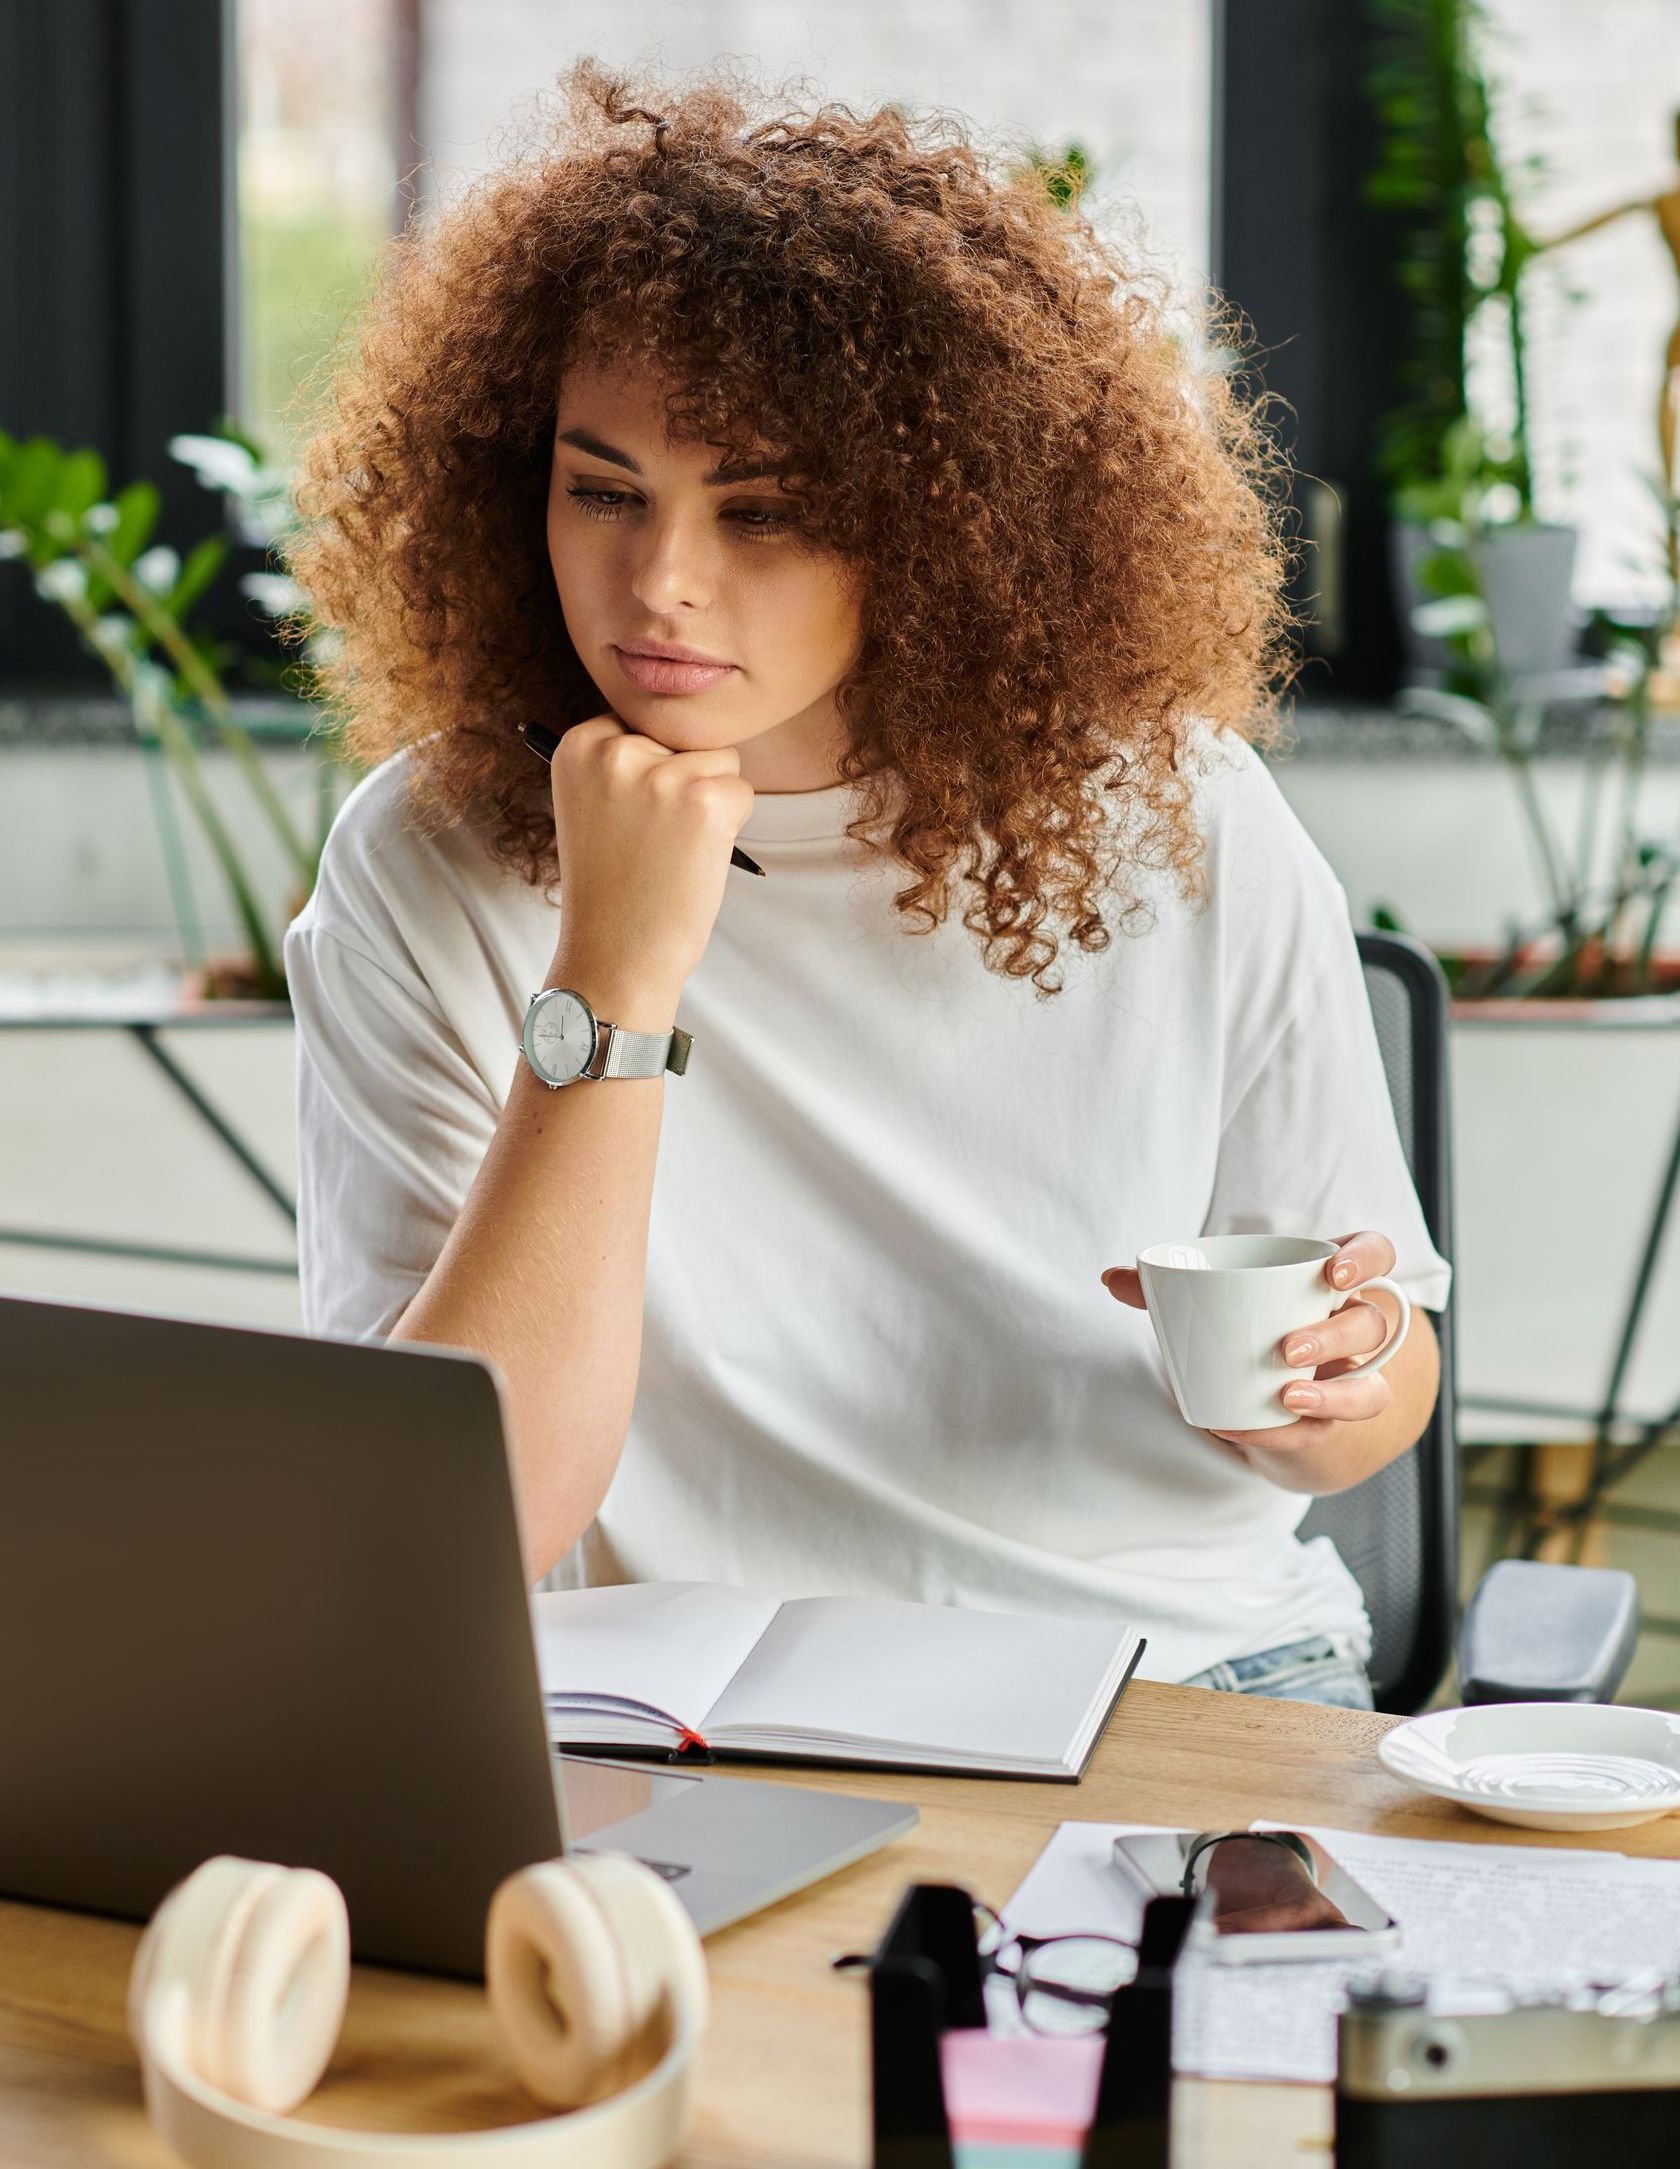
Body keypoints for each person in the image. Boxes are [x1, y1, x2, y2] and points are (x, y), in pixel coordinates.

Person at [279, 63, 1450, 1709]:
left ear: (936, 527)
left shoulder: (1184, 818)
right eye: (601, 488)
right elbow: (452, 1527)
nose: (659, 583)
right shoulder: (434, 859)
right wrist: (612, 974)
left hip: (1180, 1681)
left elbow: (1381, 1371)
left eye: (761, 512)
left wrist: (1341, 1378)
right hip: (694, 1707)